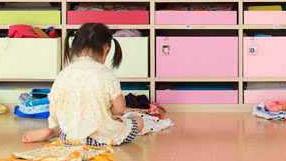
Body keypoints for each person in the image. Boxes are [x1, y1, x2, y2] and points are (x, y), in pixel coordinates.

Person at [20, 22, 172, 147]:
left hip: (69, 136)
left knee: (71, 122)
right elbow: (119, 109)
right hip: (100, 138)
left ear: (74, 48)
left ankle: (53, 132)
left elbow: (54, 107)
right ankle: (64, 131)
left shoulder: (64, 74)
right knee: (138, 122)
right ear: (106, 50)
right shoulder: (105, 74)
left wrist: (58, 124)